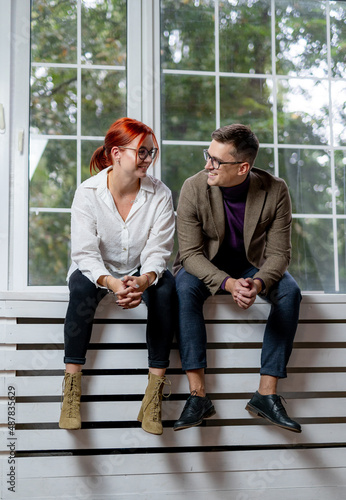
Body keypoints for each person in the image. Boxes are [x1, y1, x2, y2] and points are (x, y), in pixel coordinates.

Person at [173, 123, 302, 433]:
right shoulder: (194, 187)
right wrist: (228, 284)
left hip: (252, 266)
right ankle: (197, 396)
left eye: (216, 160)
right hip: (205, 265)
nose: (207, 165)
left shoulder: (275, 189)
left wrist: (256, 284)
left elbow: (279, 254)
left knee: (290, 292)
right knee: (182, 288)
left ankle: (266, 394)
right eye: (208, 155)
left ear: (243, 167)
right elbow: (189, 254)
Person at [59, 117, 176, 435]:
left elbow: (157, 252)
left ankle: (153, 395)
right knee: (81, 289)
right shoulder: (88, 192)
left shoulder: (161, 195)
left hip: (140, 269)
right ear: (115, 154)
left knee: (167, 291)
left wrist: (142, 281)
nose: (148, 159)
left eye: (152, 152)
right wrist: (111, 282)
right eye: (141, 152)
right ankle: (71, 392)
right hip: (97, 268)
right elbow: (84, 254)